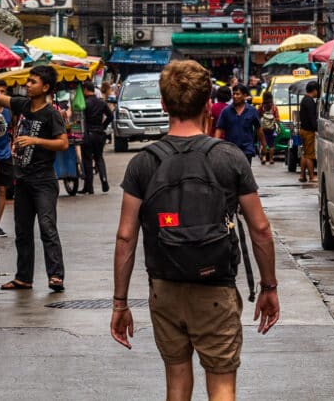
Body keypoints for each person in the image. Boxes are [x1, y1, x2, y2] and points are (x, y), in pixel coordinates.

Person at [111, 60, 280, 400]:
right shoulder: (229, 158)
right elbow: (260, 229)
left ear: (163, 104)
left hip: (165, 289)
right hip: (216, 290)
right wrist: (269, 286)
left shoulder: (143, 163)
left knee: (176, 384)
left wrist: (120, 303)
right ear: (207, 106)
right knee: (221, 385)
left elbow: (126, 237)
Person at [0, 66, 70, 292]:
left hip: (44, 181)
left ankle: (56, 276)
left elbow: (63, 143)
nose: (28, 84)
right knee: (22, 231)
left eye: (33, 82)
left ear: (45, 87)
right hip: (23, 181)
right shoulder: (22, 105)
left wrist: (35, 141)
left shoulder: (51, 114)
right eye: (28, 81)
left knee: (47, 228)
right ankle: (23, 278)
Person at [215, 85, 265, 164]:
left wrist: (264, 146)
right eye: (233, 94)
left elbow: (259, 129)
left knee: (244, 174)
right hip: (230, 150)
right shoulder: (226, 111)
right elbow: (219, 129)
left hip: (247, 150)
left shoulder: (252, 111)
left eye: (238, 94)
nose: (235, 96)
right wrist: (215, 146)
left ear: (245, 96)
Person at [80, 80, 113, 194]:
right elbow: (111, 116)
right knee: (99, 158)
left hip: (88, 134)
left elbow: (82, 120)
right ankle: (104, 181)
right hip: (99, 134)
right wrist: (102, 126)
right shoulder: (101, 103)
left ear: (85, 90)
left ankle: (89, 187)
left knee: (87, 159)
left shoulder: (84, 103)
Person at [0, 81, 14, 237]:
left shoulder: (8, 111)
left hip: (4, 154)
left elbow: (12, 130)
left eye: (2, 91)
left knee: (1, 190)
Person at [298, 81, 320, 183]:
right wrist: (317, 128)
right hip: (308, 132)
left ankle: (302, 175)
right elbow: (312, 119)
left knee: (305, 153)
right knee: (310, 155)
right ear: (314, 90)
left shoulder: (304, 100)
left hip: (303, 130)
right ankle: (311, 176)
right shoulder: (310, 102)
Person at [257, 91, 279, 166]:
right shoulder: (274, 107)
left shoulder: (261, 106)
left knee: (264, 144)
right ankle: (271, 159)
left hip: (263, 128)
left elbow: (258, 116)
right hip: (271, 128)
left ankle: (263, 158)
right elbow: (277, 118)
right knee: (271, 145)